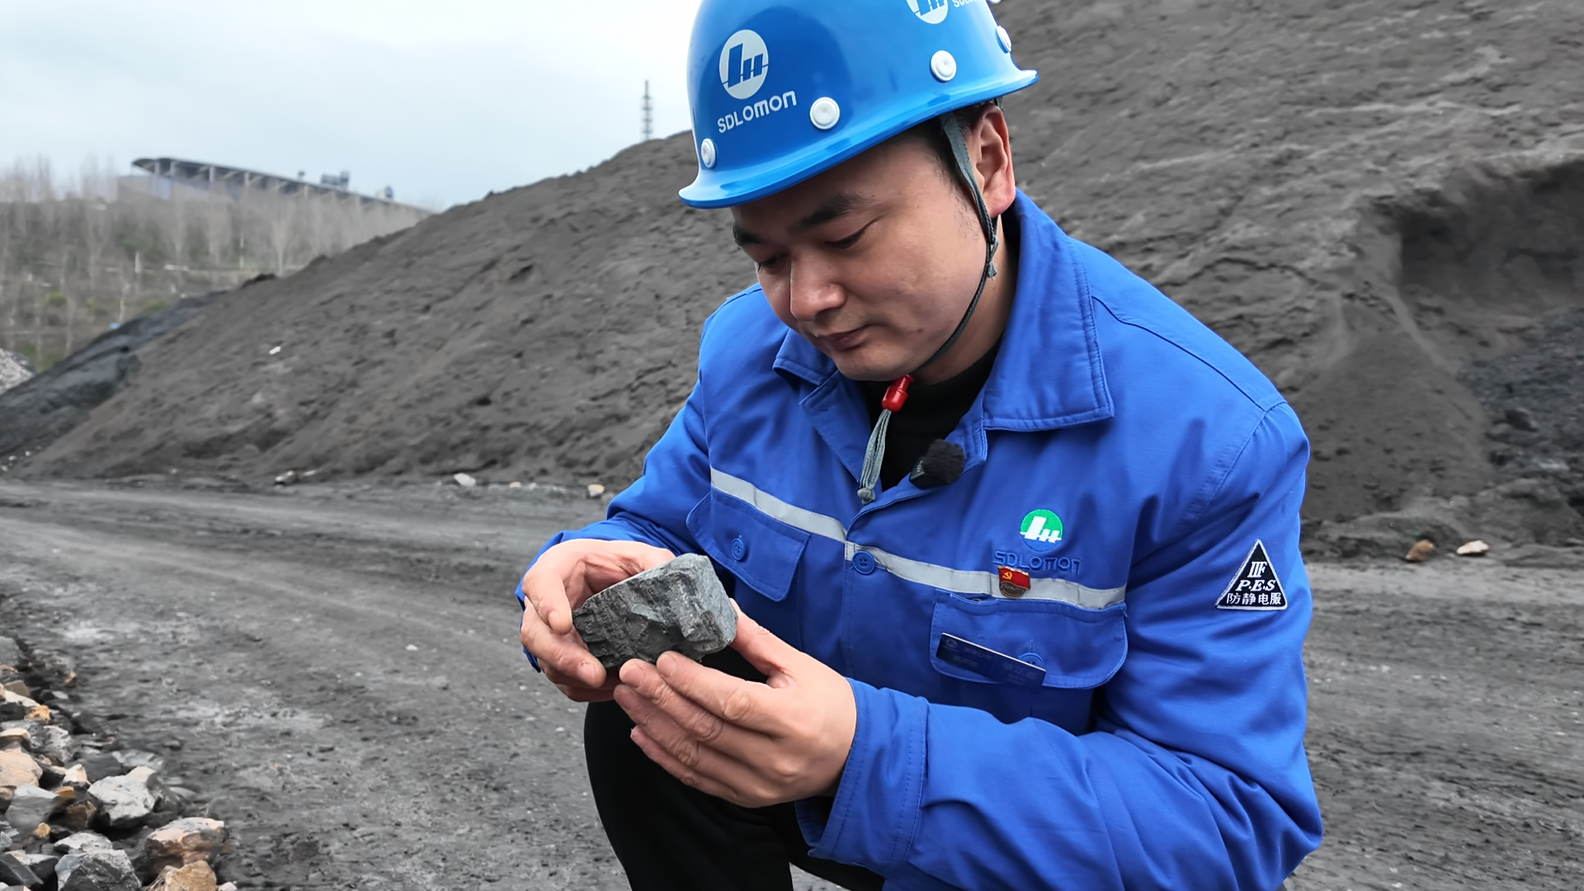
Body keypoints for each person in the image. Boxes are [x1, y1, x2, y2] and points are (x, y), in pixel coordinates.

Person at [516, 1, 1323, 888]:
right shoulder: (747, 354)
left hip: (1010, 851)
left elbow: (1225, 817)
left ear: (988, 161)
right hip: (805, 779)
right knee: (645, 716)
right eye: (767, 257)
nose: (806, 300)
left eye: (844, 237)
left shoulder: (1205, 438)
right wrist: (590, 565)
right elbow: (657, 529)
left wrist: (867, 756)